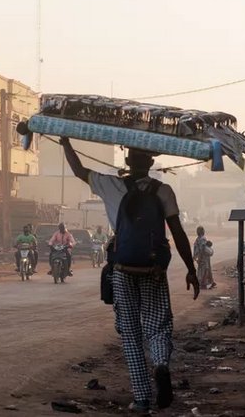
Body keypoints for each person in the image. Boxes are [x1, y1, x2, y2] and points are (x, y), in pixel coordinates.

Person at [61, 138, 198, 413]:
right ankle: (160, 364)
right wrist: (191, 270)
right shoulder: (164, 191)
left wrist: (65, 143)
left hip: (122, 268)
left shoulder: (110, 185)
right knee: (158, 326)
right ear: (150, 164)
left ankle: (143, 398)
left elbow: (78, 170)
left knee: (131, 333)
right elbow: (179, 233)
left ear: (127, 162)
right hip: (154, 268)